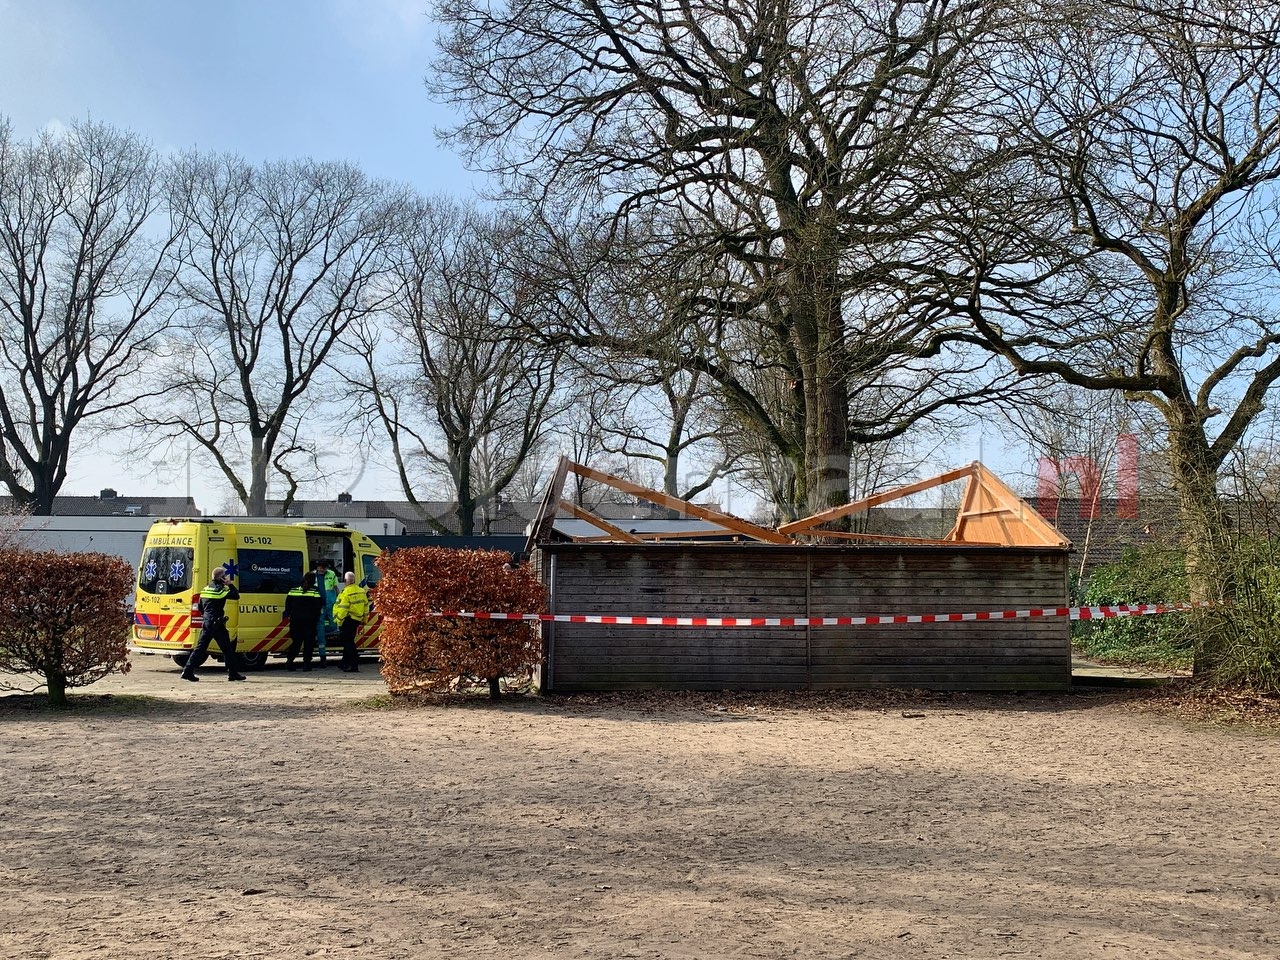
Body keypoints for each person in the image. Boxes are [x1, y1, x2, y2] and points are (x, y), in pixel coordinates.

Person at [180, 566, 244, 682]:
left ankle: (187, 671)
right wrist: (229, 584)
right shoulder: (221, 590)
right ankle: (232, 673)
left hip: (207, 623)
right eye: (225, 576)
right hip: (217, 624)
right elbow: (236, 595)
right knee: (227, 649)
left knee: (200, 649)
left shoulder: (205, 589)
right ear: (222, 578)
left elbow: (200, 607)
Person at [282, 571, 324, 671]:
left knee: (296, 642)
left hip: (295, 620)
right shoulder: (314, 591)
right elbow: (318, 606)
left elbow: (287, 605)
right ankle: (306, 664)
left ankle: (289, 662)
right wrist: (317, 618)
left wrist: (288, 616)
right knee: (309, 643)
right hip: (309, 622)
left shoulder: (293, 590)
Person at [332, 571, 369, 673]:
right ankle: (344, 663)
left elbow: (343, 608)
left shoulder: (345, 592)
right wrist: (364, 620)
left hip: (347, 620)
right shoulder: (361, 591)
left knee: (348, 643)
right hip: (357, 619)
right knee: (349, 641)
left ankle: (353, 665)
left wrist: (339, 622)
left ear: (345, 581)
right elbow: (366, 607)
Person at [315, 559, 339, 667]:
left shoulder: (332, 574)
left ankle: (319, 632)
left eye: (324, 567)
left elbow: (335, 588)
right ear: (317, 567)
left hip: (331, 605)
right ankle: (322, 656)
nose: (322, 569)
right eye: (320, 567)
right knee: (320, 631)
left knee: (333, 626)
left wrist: (339, 599)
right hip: (319, 606)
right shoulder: (312, 575)